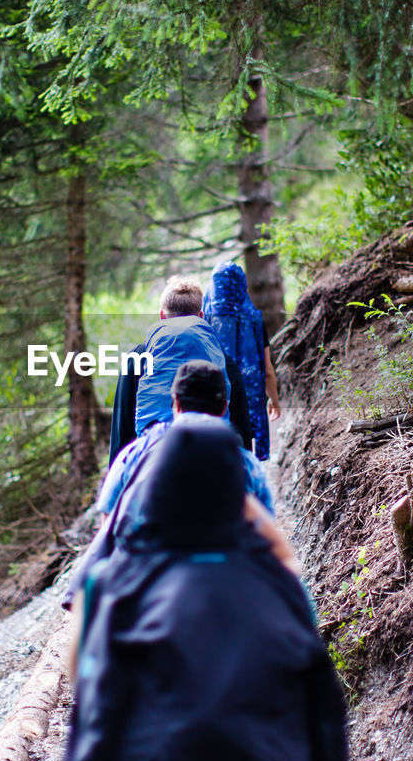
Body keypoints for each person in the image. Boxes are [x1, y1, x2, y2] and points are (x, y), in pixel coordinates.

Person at [61, 422, 350, 761]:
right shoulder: (279, 587)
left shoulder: (108, 587)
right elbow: (321, 716)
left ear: (157, 490)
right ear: (237, 498)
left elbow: (83, 688)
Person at [65, 361, 287, 612]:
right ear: (225, 407)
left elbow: (109, 522)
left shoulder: (136, 452)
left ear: (175, 403)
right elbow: (264, 537)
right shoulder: (246, 464)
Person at [108, 278, 251, 464]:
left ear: (161, 315)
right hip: (213, 460)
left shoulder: (138, 359)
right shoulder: (224, 362)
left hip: (152, 462)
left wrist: (119, 474)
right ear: (201, 316)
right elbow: (241, 429)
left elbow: (122, 426)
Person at [203, 261, 282, 460]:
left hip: (213, 401)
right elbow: (268, 371)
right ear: (242, 285)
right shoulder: (254, 319)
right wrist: (274, 400)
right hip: (247, 407)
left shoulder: (204, 320)